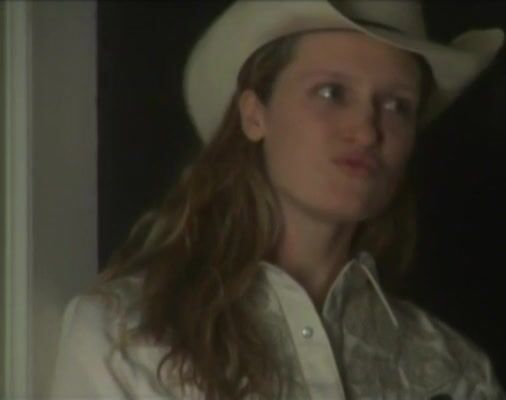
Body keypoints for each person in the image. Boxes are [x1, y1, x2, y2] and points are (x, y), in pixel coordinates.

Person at [49, 0, 505, 399]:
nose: (367, 131)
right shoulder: (127, 336)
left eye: (396, 105)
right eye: (332, 92)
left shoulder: (455, 373)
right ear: (254, 115)